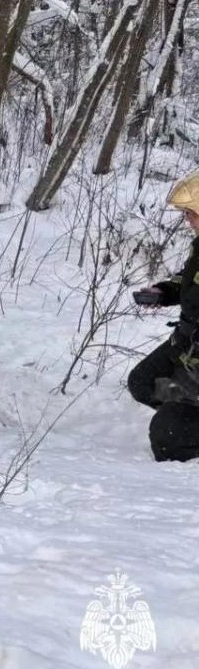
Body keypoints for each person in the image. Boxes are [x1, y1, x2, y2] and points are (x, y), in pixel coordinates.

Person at [130, 169, 199, 462]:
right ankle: (186, 406)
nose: (187, 220)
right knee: (142, 382)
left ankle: (183, 419)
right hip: (185, 342)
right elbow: (188, 281)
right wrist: (162, 292)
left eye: (191, 213)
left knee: (167, 437)